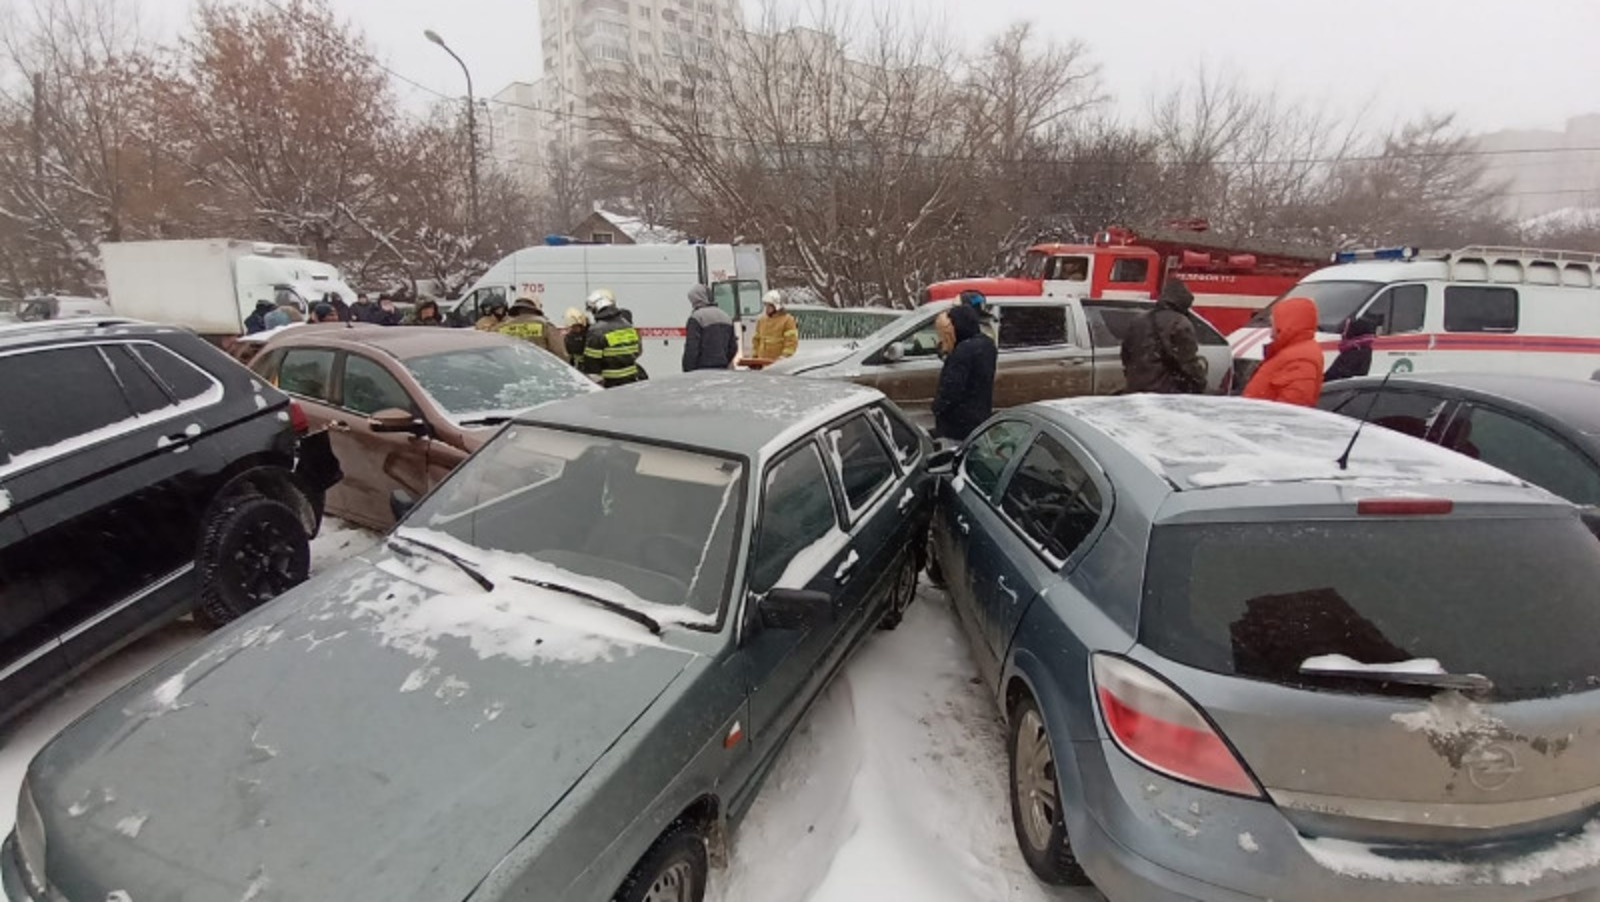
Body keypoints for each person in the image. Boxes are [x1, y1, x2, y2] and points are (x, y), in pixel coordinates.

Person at [1119, 278, 1208, 394]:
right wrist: (1201, 382)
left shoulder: (1138, 321)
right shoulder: (1180, 323)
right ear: (1183, 303)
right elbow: (1188, 362)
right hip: (1165, 392)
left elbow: (1125, 354)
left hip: (1136, 388)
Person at [932, 303, 997, 441]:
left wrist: (937, 407)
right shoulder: (987, 345)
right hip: (979, 417)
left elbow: (951, 390)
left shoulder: (962, 352)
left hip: (957, 426)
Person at [1243, 296, 1324, 406]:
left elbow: (1293, 407)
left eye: (1274, 325)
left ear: (1287, 324)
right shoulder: (1292, 352)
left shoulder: (1301, 359)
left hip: (1268, 421)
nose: (1271, 334)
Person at [582, 289, 644, 387]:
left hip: (610, 384)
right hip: (631, 381)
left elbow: (592, 364)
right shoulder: (628, 325)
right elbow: (638, 351)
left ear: (597, 308)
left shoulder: (596, 330)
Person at [682, 285, 738, 371]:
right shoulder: (726, 316)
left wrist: (688, 369)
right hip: (722, 368)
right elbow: (733, 347)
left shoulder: (696, 318)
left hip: (702, 369)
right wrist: (725, 361)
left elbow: (692, 349)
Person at [498, 296, 566, 357]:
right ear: (535, 309)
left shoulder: (501, 327)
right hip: (538, 369)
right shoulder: (545, 325)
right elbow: (560, 353)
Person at [1325, 315, 1380, 382]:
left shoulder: (1354, 351)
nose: (1343, 333)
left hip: (1342, 389)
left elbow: (1335, 374)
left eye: (1346, 330)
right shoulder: (1363, 348)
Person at [751, 290, 800, 361]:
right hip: (762, 361)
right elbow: (756, 340)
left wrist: (784, 357)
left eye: (769, 306)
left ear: (777, 306)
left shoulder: (788, 320)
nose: (767, 308)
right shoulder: (762, 320)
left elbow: (791, 342)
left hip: (778, 364)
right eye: (766, 305)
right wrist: (754, 356)